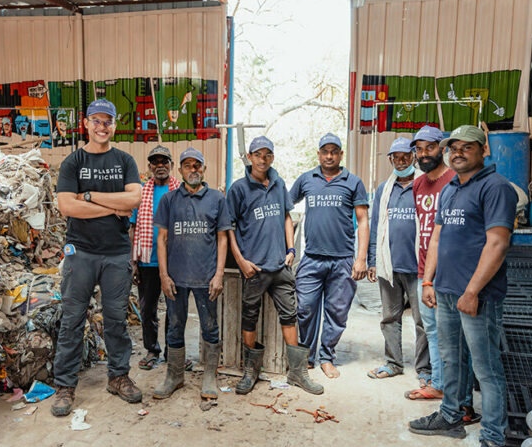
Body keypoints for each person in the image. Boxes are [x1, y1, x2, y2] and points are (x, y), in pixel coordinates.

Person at [409, 125, 517, 447]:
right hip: (445, 290)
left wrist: (472, 291)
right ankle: (452, 415)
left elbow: (497, 244)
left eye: (465, 147)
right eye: (451, 148)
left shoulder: (495, 188)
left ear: (483, 149)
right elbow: (438, 238)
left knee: (486, 369)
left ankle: (494, 440)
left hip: (477, 296)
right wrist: (429, 279)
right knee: (451, 358)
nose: (456, 153)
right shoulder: (451, 188)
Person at [53, 98, 143, 416]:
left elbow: (135, 199)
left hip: (116, 254)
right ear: (86, 124)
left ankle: (118, 377)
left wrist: (90, 196)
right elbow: (67, 206)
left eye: (108, 121)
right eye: (97, 121)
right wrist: (113, 206)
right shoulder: (73, 162)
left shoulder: (125, 161)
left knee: (117, 320)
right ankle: (64, 385)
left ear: (114, 125)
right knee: (72, 321)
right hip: (81, 252)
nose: (102, 127)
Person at [226, 136, 323, 395]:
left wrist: (291, 249)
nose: (262, 159)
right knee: (249, 317)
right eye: (258, 154)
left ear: (272, 158)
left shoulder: (279, 184)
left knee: (290, 316)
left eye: (267, 154)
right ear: (249, 157)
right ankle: (251, 371)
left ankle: (297, 373)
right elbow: (228, 228)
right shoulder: (238, 189)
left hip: (280, 267)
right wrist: (241, 261)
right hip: (254, 269)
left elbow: (287, 217)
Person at [406, 127, 479, 424]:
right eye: (419, 149)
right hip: (426, 270)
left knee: (458, 343)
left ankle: (462, 403)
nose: (424, 154)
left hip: (453, 275)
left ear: (442, 149)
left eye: (430, 147)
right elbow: (426, 233)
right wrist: (424, 276)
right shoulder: (418, 185)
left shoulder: (455, 181)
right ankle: (439, 386)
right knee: (434, 333)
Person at [152, 148, 231, 400]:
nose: (193, 169)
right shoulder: (169, 200)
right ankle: (174, 376)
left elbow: (222, 239)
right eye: (188, 165)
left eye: (197, 165)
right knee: (175, 327)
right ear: (181, 170)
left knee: (210, 327)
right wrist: (163, 275)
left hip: (206, 278)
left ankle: (209, 377)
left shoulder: (217, 199)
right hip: (176, 279)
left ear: (204, 169)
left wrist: (219, 274)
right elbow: (161, 239)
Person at [290, 133, 369, 378]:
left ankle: (326, 357)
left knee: (337, 313)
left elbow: (363, 220)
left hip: (343, 259)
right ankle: (308, 356)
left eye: (334, 151)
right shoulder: (306, 179)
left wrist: (361, 258)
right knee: (305, 308)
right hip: (312, 258)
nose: (329, 156)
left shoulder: (352, 181)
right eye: (325, 151)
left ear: (341, 155)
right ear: (318, 154)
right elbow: (284, 206)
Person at [365, 137, 430, 384]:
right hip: (388, 265)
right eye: (396, 157)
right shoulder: (384, 189)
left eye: (405, 156)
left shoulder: (424, 185)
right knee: (390, 318)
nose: (401, 161)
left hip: (418, 266)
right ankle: (393, 363)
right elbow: (375, 226)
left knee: (423, 320)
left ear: (414, 157)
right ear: (390, 159)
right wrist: (372, 260)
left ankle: (425, 369)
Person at [129, 146, 182, 371]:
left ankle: (173, 353)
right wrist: (133, 262)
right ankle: (152, 350)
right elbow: (132, 227)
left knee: (174, 309)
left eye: (164, 161)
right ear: (150, 166)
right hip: (147, 261)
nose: (160, 165)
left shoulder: (180, 191)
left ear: (171, 165)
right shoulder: (141, 192)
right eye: (155, 162)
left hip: (174, 262)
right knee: (147, 309)